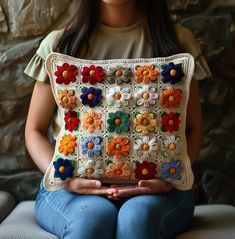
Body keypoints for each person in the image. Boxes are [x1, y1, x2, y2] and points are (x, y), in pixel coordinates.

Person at [24, 0, 211, 238]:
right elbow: (34, 130)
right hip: (70, 190)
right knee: (90, 219)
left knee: (137, 219)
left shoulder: (177, 43)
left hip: (160, 192)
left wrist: (169, 179)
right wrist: (66, 178)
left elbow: (193, 129)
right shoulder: (60, 45)